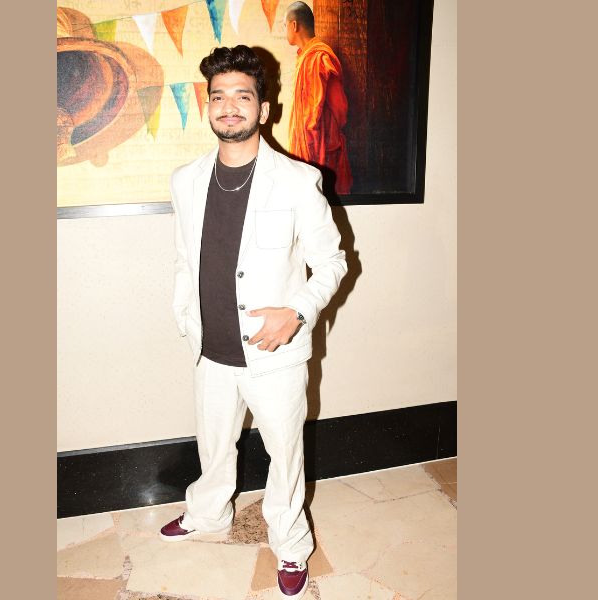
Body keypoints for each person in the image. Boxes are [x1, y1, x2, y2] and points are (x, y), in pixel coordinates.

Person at [161, 45, 347, 599]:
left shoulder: (297, 180)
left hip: (274, 350)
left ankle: (290, 544)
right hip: (210, 346)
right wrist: (184, 316)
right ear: (208, 107)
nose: (229, 107)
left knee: (284, 456)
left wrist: (298, 311)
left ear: (264, 109)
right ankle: (208, 512)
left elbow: (333, 262)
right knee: (213, 445)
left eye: (242, 96)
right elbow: (185, 257)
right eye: (219, 97)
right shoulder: (185, 180)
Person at [285, 1, 353, 195]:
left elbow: (340, 109)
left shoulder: (320, 58)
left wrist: (325, 135)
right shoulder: (304, 57)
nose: (284, 31)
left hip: (322, 148)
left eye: (284, 25)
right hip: (303, 149)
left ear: (294, 25)